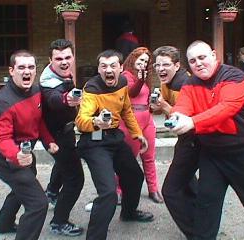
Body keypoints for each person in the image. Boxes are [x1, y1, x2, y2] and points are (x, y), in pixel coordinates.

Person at [169, 40, 244, 239]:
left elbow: (226, 108)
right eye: (193, 61)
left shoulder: (234, 76)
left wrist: (193, 122)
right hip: (213, 154)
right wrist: (177, 117)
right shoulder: (190, 83)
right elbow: (183, 106)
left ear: (213, 55)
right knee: (206, 208)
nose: (199, 63)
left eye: (202, 57)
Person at [76, 49, 154, 240]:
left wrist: (137, 133)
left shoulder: (122, 83)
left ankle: (128, 213)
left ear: (120, 68)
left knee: (135, 176)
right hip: (94, 140)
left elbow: (127, 110)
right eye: (103, 66)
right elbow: (81, 120)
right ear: (99, 69)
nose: (108, 70)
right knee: (109, 192)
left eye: (112, 66)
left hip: (114, 137)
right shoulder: (91, 88)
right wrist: (95, 123)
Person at [0, 49, 59, 240]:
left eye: (30, 67)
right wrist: (15, 155)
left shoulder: (36, 91)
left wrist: (48, 140)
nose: (26, 71)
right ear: (11, 71)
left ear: (36, 70)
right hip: (5, 156)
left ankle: (4, 224)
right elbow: (2, 139)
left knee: (25, 185)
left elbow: (39, 120)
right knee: (38, 203)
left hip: (25, 150)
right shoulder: (3, 101)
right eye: (21, 67)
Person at [150, 46, 199, 238]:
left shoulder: (184, 85)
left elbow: (183, 119)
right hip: (186, 140)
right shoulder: (167, 82)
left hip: (195, 140)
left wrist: (164, 106)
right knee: (188, 182)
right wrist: (158, 107)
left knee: (170, 190)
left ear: (177, 65)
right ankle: (201, 219)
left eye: (166, 65)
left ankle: (196, 233)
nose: (161, 68)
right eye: (158, 65)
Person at [39, 39, 84, 237]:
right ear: (50, 60)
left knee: (63, 164)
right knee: (75, 178)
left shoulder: (63, 73)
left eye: (67, 57)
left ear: (73, 57)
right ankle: (59, 222)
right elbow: (54, 99)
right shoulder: (48, 82)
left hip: (65, 132)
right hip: (54, 136)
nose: (64, 62)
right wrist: (68, 100)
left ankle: (52, 191)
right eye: (58, 58)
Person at [118, 46, 163, 203]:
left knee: (149, 156)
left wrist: (155, 105)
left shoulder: (145, 77)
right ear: (133, 58)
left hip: (147, 118)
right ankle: (119, 189)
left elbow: (144, 97)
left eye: (146, 61)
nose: (143, 63)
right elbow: (132, 92)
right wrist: (141, 79)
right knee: (127, 158)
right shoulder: (125, 75)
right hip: (131, 120)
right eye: (141, 59)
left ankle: (153, 189)